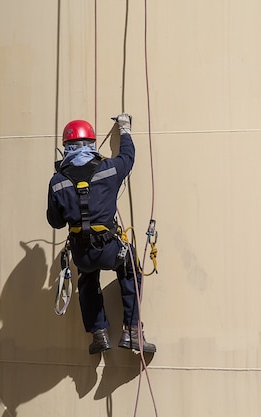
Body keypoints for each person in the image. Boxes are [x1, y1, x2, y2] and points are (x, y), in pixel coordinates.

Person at [46, 113, 156, 354]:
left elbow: (55, 222)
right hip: (110, 250)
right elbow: (127, 158)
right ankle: (132, 332)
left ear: (66, 147)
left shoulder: (57, 182)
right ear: (92, 145)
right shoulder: (108, 169)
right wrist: (124, 129)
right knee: (131, 271)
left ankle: (99, 334)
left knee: (87, 279)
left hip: (82, 253)